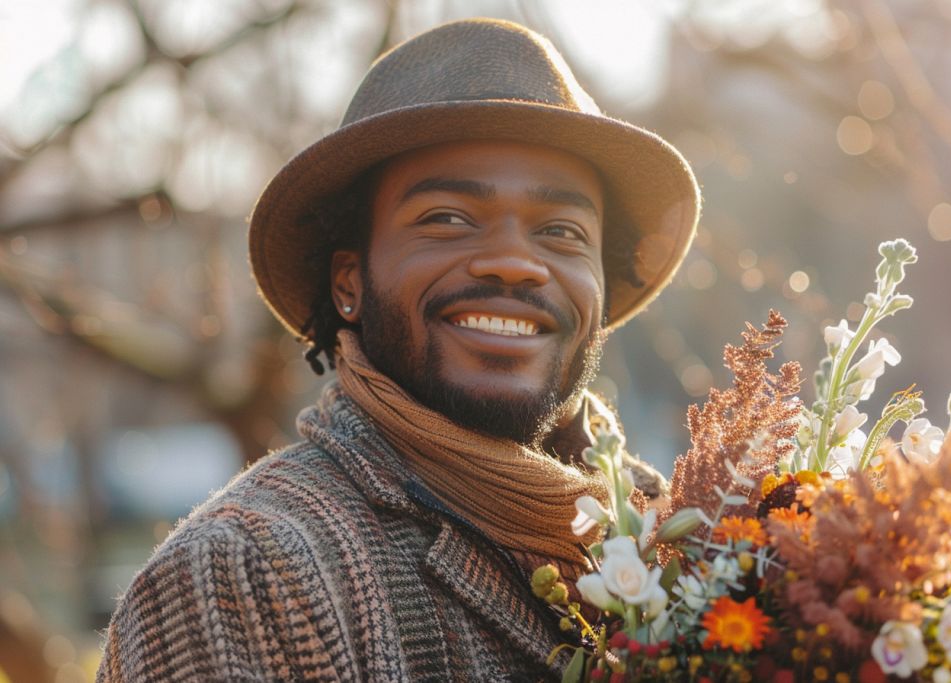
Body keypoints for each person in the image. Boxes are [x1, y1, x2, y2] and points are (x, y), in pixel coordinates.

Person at [96, 17, 700, 682]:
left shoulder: (694, 535)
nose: (514, 263)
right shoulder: (245, 572)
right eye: (447, 219)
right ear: (348, 281)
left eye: (560, 230)